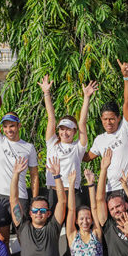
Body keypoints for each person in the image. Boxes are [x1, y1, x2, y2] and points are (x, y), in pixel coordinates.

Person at [0, 76, 39, 246]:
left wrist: (34, 200)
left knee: (24, 237)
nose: (8, 130)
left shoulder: (28, 147)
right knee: (1, 239)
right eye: (5, 126)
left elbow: (34, 176)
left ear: (18, 126)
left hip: (20, 197)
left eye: (12, 126)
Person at [86, 60, 128, 207]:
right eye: (105, 119)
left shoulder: (127, 128)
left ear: (119, 118)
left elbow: (127, 102)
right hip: (113, 190)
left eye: (112, 119)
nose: (108, 122)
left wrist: (126, 78)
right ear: (101, 119)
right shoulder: (99, 140)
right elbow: (86, 157)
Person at [10, 157, 66, 256]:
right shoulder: (23, 227)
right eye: (35, 210)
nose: (39, 213)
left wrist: (57, 176)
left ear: (48, 213)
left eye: (42, 210)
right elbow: (14, 200)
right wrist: (16, 174)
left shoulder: (53, 227)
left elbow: (62, 201)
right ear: (30, 213)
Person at [40, 75, 95, 209]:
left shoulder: (78, 147)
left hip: (72, 191)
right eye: (62, 129)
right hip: (54, 191)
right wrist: (46, 93)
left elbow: (82, 123)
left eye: (69, 130)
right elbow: (51, 118)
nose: (65, 133)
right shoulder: (52, 142)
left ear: (74, 131)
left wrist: (86, 97)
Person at [65, 169, 108, 256]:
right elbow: (71, 209)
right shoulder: (72, 236)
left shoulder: (96, 233)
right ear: (77, 221)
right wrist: (71, 185)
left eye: (88, 218)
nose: (85, 221)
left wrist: (91, 184)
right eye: (82, 218)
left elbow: (94, 208)